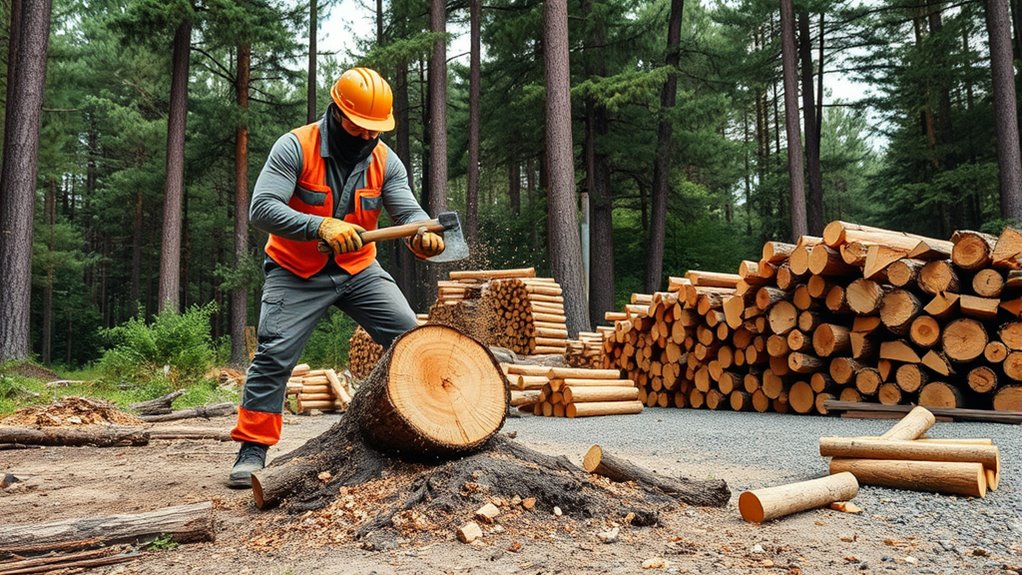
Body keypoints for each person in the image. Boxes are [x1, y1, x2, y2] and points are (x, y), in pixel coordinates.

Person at [226, 67, 445, 488]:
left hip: (358, 269)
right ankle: (252, 448)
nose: (368, 135)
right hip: (295, 270)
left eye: (375, 128)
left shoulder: (386, 161)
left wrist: (423, 236)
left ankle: (432, 426)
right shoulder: (296, 146)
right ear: (338, 112)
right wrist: (319, 225)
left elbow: (408, 212)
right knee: (274, 354)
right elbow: (262, 208)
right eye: (360, 126)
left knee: (409, 338)